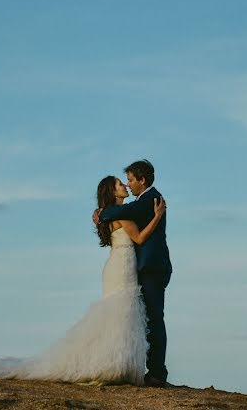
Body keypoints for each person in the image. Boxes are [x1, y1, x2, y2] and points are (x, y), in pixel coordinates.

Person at [0, 175, 166, 384]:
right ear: (112, 192)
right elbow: (140, 238)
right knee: (121, 312)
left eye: (125, 182)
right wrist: (158, 215)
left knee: (120, 313)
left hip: (117, 264)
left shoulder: (108, 215)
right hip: (122, 266)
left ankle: (116, 362)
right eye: (119, 184)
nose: (124, 185)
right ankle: (113, 363)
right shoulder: (122, 216)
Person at [95, 159, 172, 387]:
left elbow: (125, 213)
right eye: (124, 182)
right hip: (134, 267)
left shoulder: (150, 199)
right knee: (141, 318)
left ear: (142, 180)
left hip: (152, 268)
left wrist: (103, 212)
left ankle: (157, 373)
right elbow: (124, 214)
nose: (128, 185)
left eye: (129, 180)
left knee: (153, 319)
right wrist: (104, 212)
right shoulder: (139, 202)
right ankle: (147, 369)